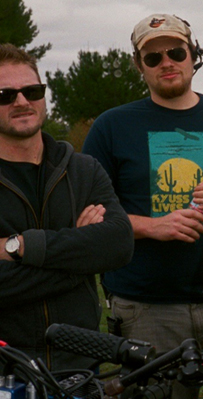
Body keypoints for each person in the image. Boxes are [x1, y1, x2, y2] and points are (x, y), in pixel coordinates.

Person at [81, 14, 203, 399]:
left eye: (175, 51)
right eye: (152, 58)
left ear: (192, 55)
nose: (166, 62)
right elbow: (91, 216)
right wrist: (153, 226)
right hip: (146, 308)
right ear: (139, 66)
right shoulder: (111, 126)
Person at [0, 44, 133, 371]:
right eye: (5, 94)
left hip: (79, 371)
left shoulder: (83, 170)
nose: (21, 101)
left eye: (32, 90)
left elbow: (118, 243)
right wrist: (81, 255)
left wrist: (20, 247)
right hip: (6, 373)